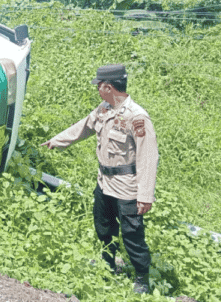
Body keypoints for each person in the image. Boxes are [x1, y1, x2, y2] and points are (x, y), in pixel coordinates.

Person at [41, 64, 159, 294]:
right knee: (103, 227)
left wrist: (145, 195)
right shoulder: (104, 109)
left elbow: (148, 157)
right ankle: (108, 264)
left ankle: (142, 278)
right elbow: (84, 126)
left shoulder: (137, 117)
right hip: (104, 182)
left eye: (99, 86)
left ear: (108, 87)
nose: (97, 90)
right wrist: (58, 140)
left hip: (127, 186)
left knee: (132, 235)